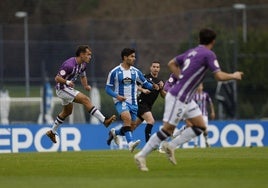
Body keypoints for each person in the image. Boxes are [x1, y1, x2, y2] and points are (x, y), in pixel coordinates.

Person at [134, 28, 243, 171]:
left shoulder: (192, 52)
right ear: (213, 41)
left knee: (200, 127)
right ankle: (141, 155)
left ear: (199, 40)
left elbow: (171, 63)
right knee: (168, 130)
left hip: (187, 98)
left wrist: (182, 78)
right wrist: (234, 75)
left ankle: (171, 146)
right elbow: (219, 76)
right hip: (178, 95)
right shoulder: (209, 54)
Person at [46, 45, 116, 143]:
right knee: (85, 99)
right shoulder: (69, 64)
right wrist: (67, 82)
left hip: (67, 88)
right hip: (62, 88)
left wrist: (86, 86)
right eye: (88, 54)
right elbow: (57, 78)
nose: (90, 57)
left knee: (67, 112)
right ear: (81, 55)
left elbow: (83, 76)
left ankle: (52, 132)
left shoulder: (83, 64)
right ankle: (104, 120)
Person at [105, 48, 159, 152]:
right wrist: (117, 96)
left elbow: (145, 83)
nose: (134, 58)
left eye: (134, 56)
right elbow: (107, 89)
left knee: (132, 126)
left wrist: (154, 86)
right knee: (127, 118)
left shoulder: (136, 72)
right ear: (125, 58)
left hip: (134, 102)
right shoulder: (115, 72)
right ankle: (130, 144)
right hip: (120, 101)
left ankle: (114, 133)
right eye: (132, 56)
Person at [133, 60, 166, 143]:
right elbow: (134, 85)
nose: (155, 69)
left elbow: (163, 96)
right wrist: (142, 89)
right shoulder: (145, 77)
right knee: (151, 121)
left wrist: (162, 88)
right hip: (141, 103)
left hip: (149, 106)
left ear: (159, 69)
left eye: (157, 67)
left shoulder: (160, 81)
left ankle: (115, 133)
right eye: (154, 67)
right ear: (150, 68)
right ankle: (149, 145)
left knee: (132, 126)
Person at [192, 82, 215, 147]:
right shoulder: (194, 95)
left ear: (202, 87)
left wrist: (212, 112)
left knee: (205, 129)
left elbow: (210, 103)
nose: (199, 87)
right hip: (195, 115)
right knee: (195, 129)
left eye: (200, 86)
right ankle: (195, 144)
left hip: (204, 114)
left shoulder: (205, 95)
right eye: (198, 86)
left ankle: (206, 141)